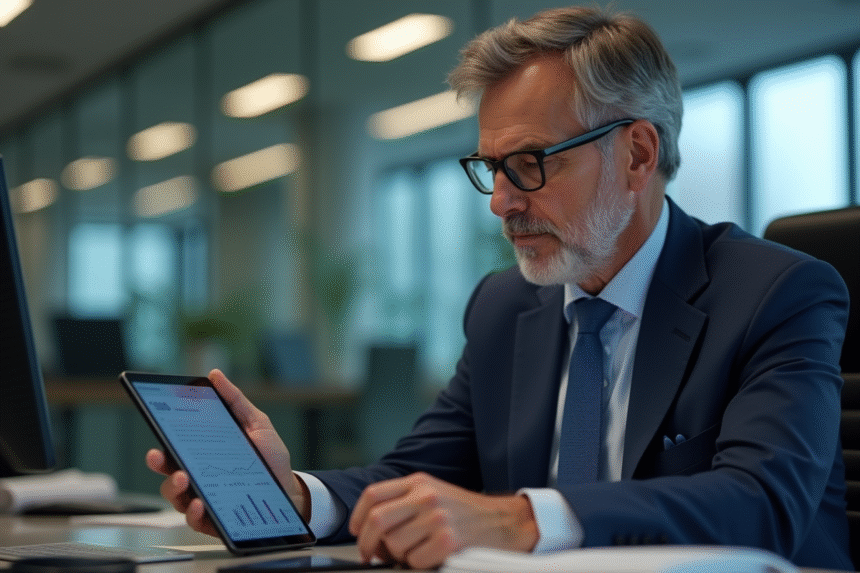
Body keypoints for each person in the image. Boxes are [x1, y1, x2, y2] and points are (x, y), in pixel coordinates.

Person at [147, 6, 853, 570]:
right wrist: (293, 495)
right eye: (492, 167)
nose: (502, 201)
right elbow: (414, 473)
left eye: (529, 163)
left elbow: (762, 502)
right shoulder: (504, 305)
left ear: (636, 153)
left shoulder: (778, 292)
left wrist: (520, 517)